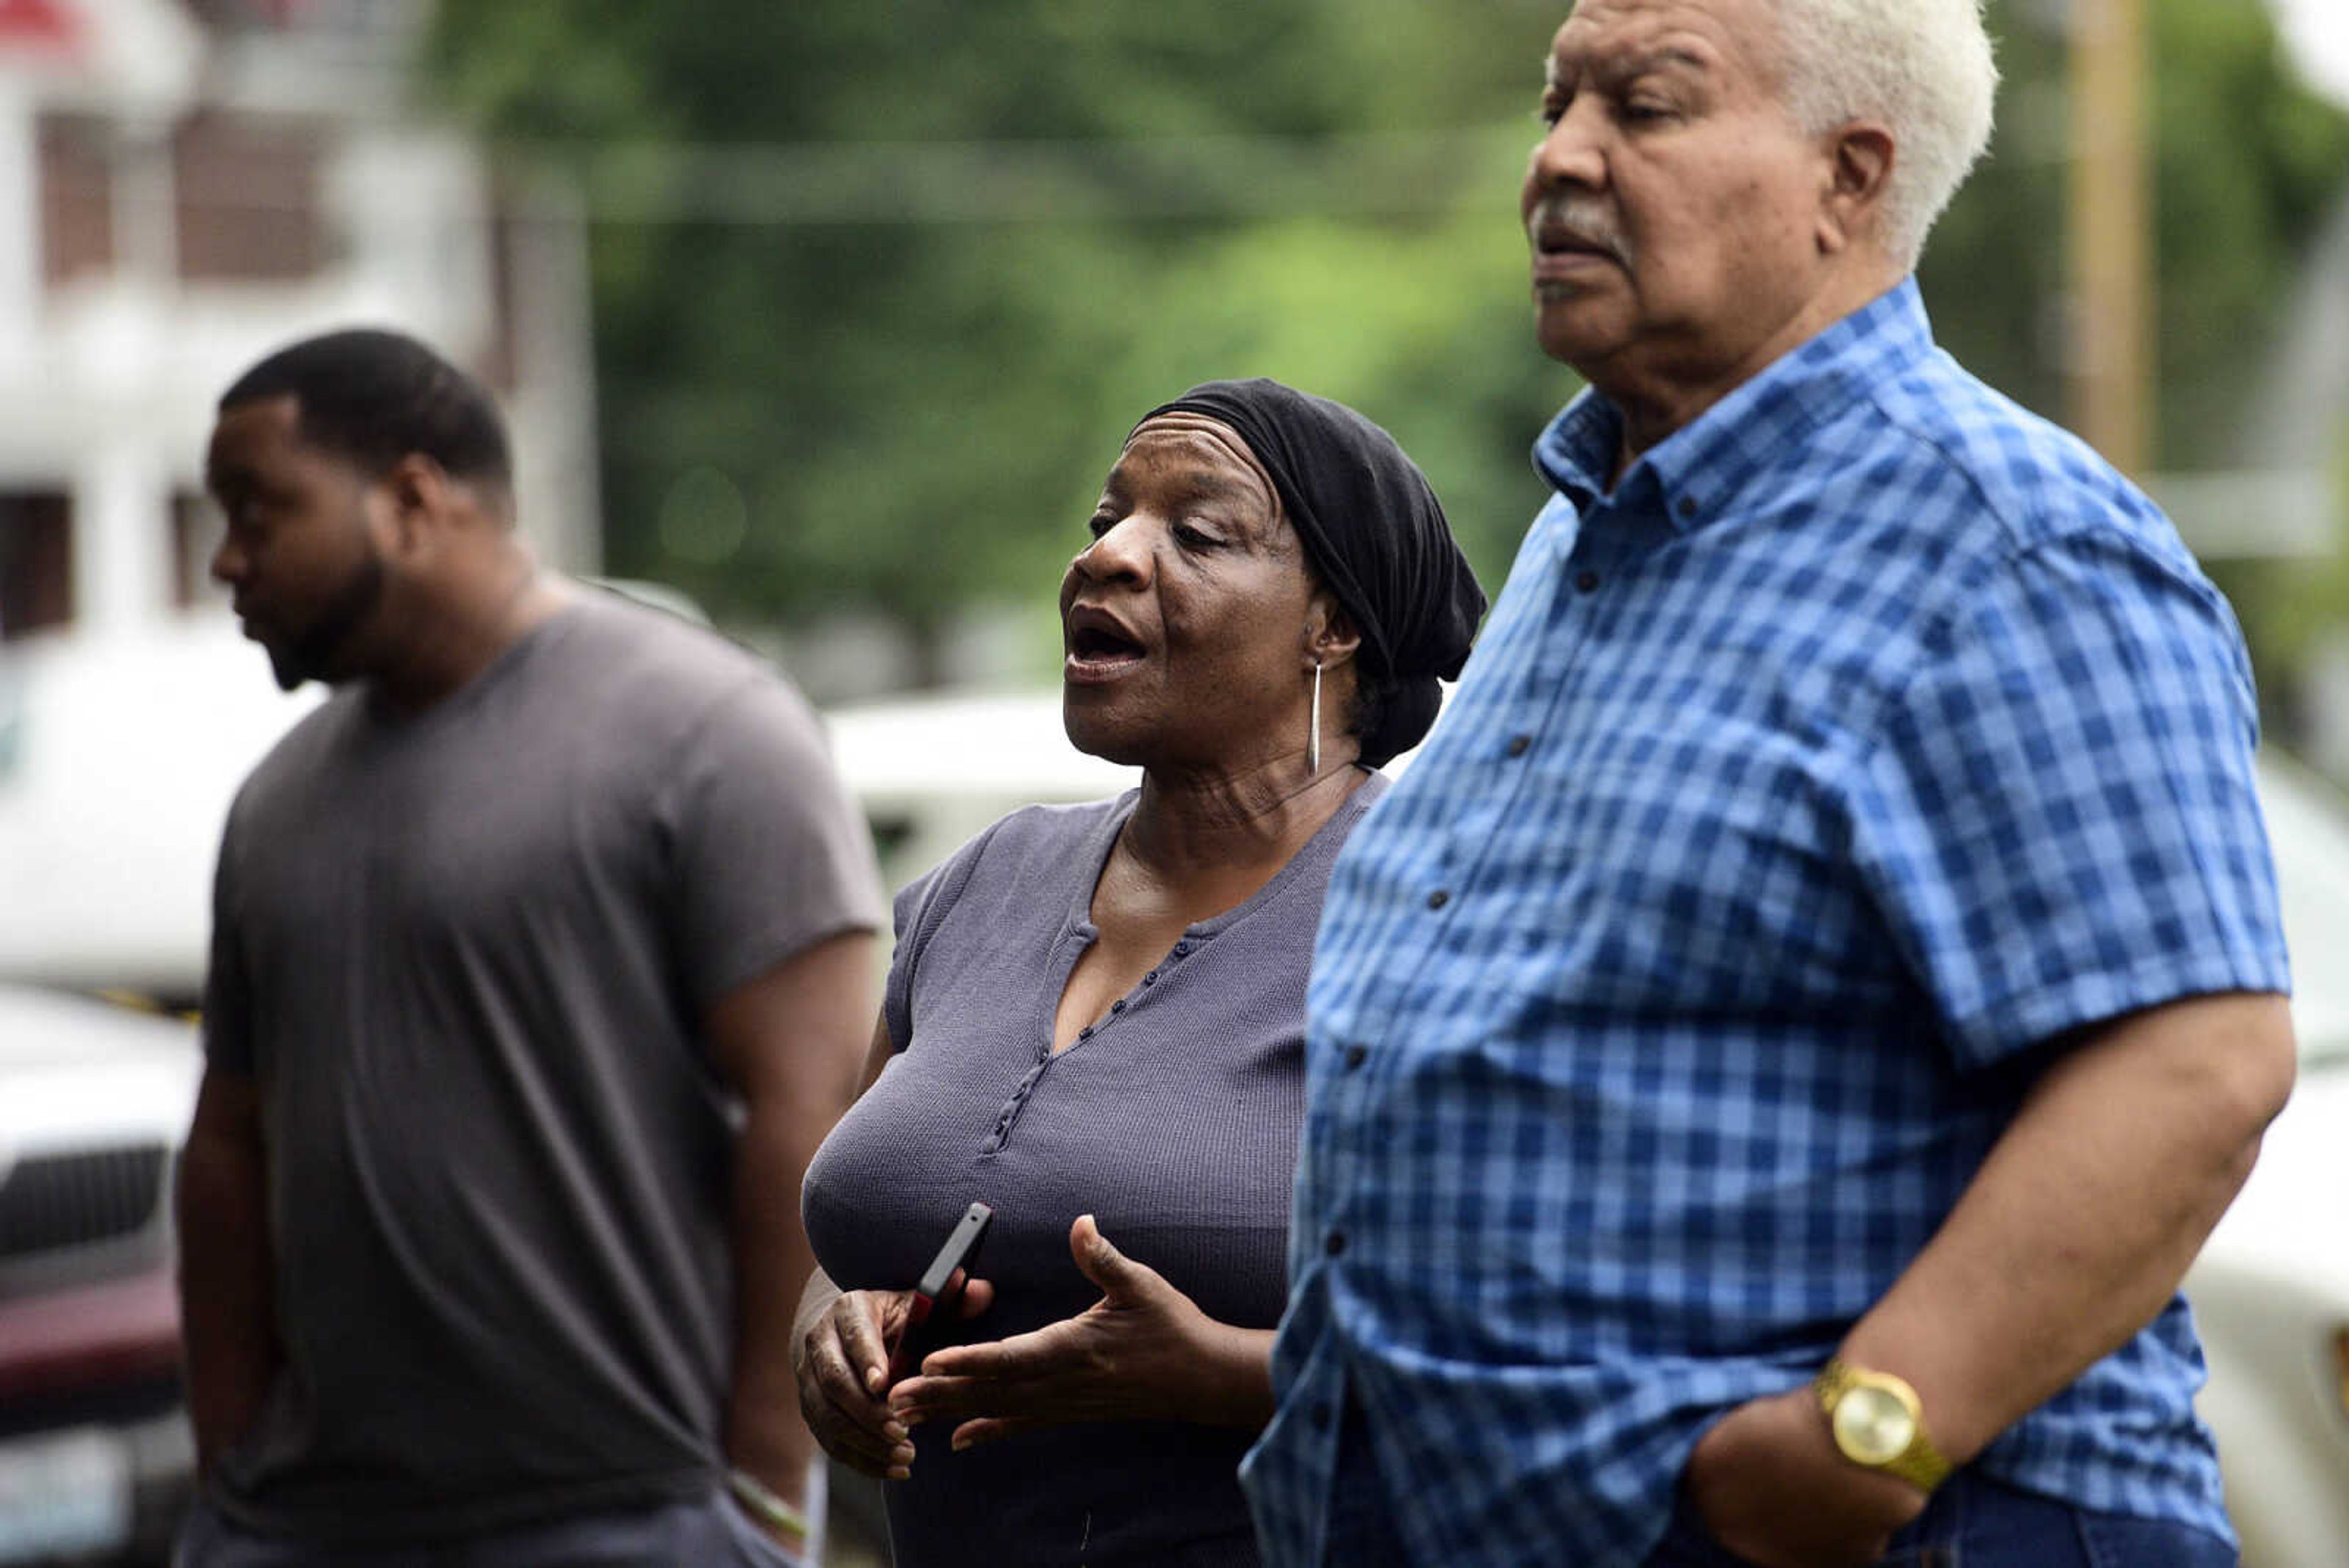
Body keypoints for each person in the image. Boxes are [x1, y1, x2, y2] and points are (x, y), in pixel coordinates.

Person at [1242, 2, 2298, 1566]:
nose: (1558, 162)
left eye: (1647, 109)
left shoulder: (2010, 546)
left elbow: (2195, 1064)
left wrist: (1865, 1434)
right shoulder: (1590, 530)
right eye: (1557, 103)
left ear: (1849, 180)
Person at [174, 329, 886, 1566]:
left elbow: (814, 1116)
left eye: (260, 509)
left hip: (632, 1518)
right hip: (302, 1525)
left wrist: (769, 1501)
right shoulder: (275, 799)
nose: (229, 558)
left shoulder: (709, 730)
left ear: (409, 498)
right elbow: (230, 1148)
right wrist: (228, 1476)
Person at [791, 379, 1484, 1566]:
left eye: (1197, 535)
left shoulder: (1448, 911)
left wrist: (1214, 1374)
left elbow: (1537, 1369)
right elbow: (845, 1229)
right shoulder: (985, 880)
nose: (1106, 556)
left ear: (1334, 625)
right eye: (1106, 519)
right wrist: (832, 1337)